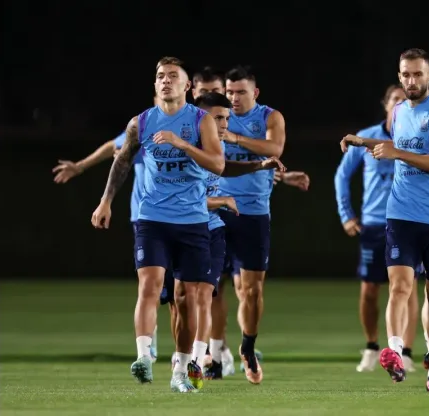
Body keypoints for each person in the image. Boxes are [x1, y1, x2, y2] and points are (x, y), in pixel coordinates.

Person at [90, 57, 226, 393]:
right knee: (149, 285)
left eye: (173, 76)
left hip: (193, 220)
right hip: (151, 218)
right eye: (160, 76)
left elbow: (218, 164)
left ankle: (181, 371)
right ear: (155, 85)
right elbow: (121, 160)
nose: (165, 81)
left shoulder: (200, 121)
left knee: (187, 297)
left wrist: (181, 144)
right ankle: (143, 358)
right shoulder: (141, 122)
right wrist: (106, 200)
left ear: (187, 86)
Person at [340, 48, 429, 393]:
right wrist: (361, 140)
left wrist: (396, 153)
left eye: (417, 74)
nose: (411, 80)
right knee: (400, 286)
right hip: (400, 213)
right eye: (405, 74)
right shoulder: (398, 111)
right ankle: (393, 351)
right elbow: (396, 144)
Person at [183, 92, 286, 385]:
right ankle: (192, 360)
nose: (225, 124)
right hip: (193, 223)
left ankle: (207, 358)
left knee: (213, 293)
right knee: (193, 294)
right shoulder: (186, 144)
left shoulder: (213, 144)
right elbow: (185, 196)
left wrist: (260, 167)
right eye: (219, 118)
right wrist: (222, 201)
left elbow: (224, 168)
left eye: (226, 118)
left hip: (227, 218)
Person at [52, 97, 162, 363]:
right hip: (145, 215)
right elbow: (113, 149)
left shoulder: (192, 126)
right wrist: (80, 166)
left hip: (183, 215)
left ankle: (200, 350)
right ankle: (149, 345)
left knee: (185, 288)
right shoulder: (145, 124)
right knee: (149, 283)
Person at [334, 85, 421, 373]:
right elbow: (342, 176)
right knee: (370, 289)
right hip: (374, 223)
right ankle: (372, 347)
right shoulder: (367, 136)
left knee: (408, 289)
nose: (399, 104)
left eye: (403, 100)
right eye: (394, 100)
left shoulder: (415, 136)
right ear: (386, 105)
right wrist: (347, 215)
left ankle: (405, 352)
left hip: (408, 221)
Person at [216, 65, 286, 384]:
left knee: (252, 290)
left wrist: (233, 136)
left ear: (254, 93)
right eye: (229, 92)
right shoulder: (215, 116)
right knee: (206, 287)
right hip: (215, 211)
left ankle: (247, 346)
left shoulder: (270, 117)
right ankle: (205, 353)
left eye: (240, 92)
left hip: (254, 213)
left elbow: (274, 149)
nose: (234, 98)